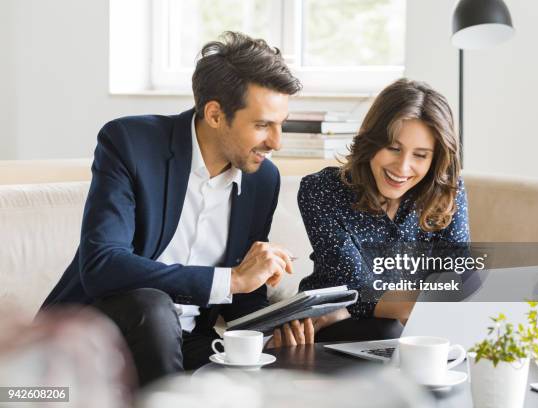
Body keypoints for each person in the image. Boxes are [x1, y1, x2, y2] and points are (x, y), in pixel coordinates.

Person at [40, 31, 313, 386]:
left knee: (276, 379)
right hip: (93, 340)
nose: (276, 142)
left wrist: (276, 324)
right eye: (262, 125)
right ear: (215, 114)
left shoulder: (262, 179)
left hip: (188, 343)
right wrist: (231, 279)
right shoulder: (131, 143)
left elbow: (241, 301)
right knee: (152, 305)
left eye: (281, 125)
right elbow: (102, 264)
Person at [298, 79, 470, 342]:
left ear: (435, 159)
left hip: (413, 333)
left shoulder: (448, 190)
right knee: (389, 330)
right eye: (393, 148)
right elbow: (358, 289)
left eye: (420, 155)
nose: (402, 168)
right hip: (331, 332)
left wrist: (352, 308)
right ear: (371, 140)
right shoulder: (321, 190)